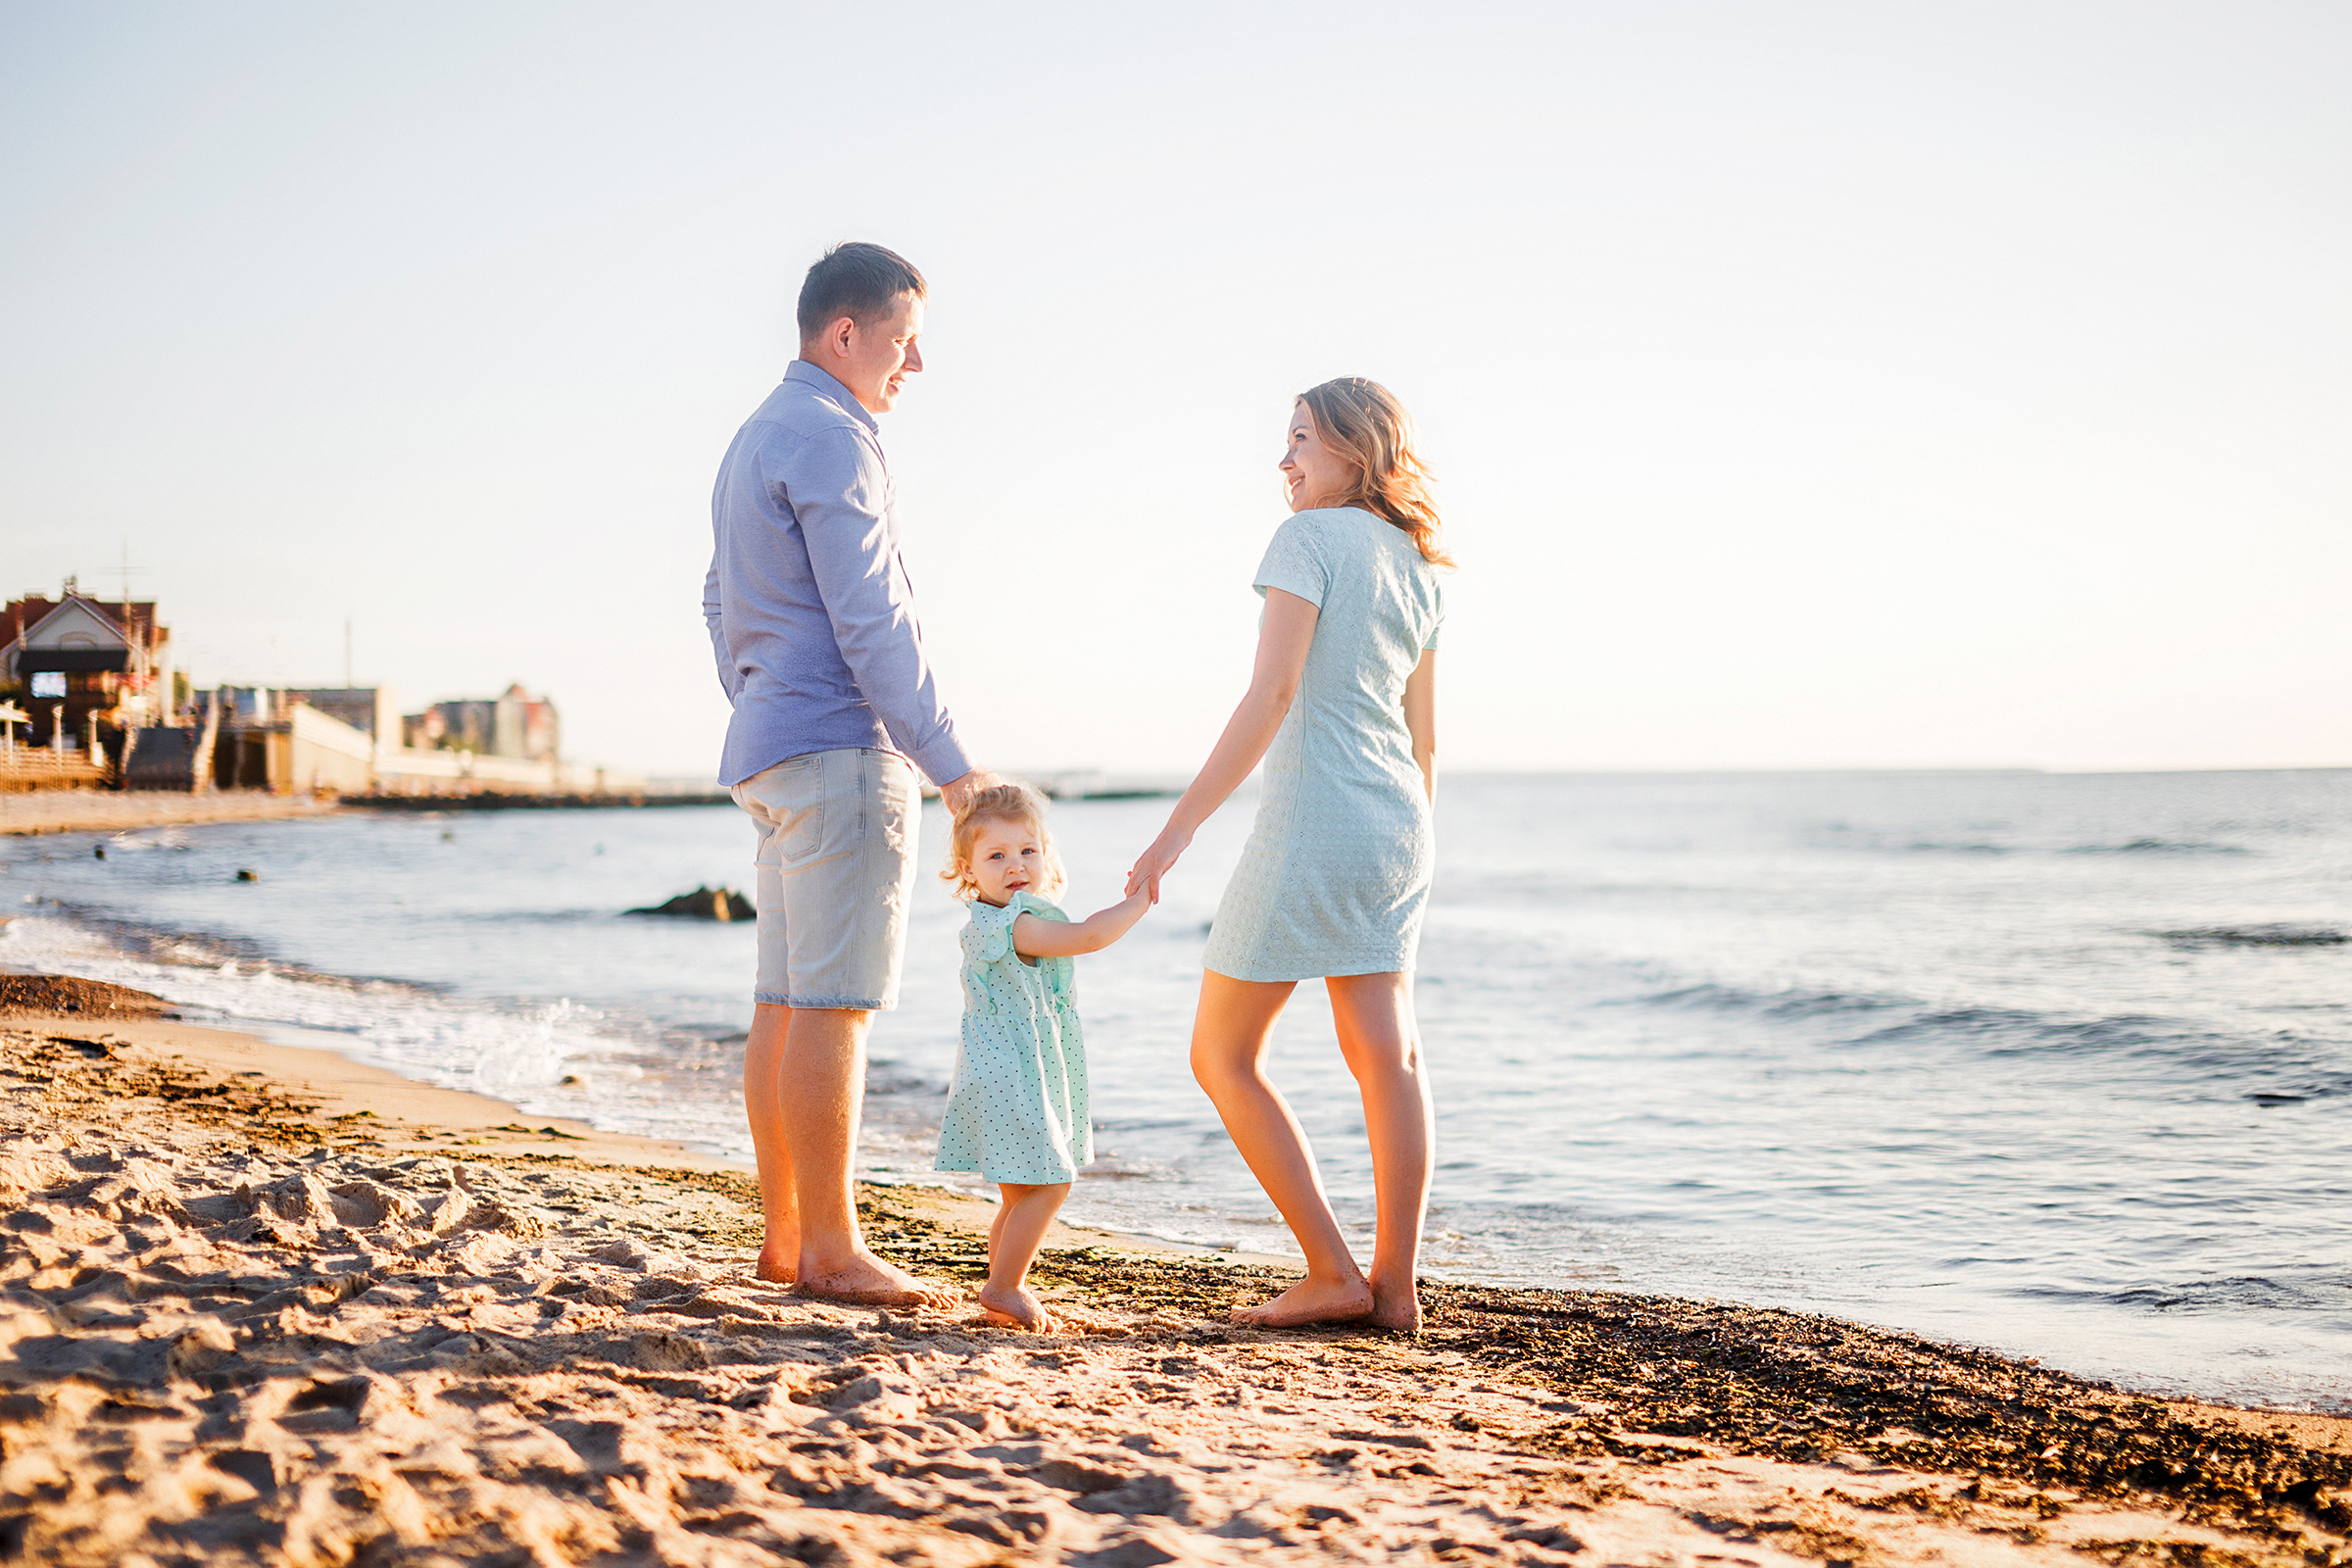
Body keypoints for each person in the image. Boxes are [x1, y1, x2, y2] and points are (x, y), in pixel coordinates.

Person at [704, 241, 1001, 1306]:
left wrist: (761, 693)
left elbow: (716, 600)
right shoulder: (834, 437)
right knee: (832, 1006)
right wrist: (956, 768)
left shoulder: (754, 438)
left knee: (784, 1001)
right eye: (904, 342)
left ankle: (789, 1241)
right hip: (837, 749)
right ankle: (829, 1247)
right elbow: (874, 620)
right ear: (846, 334)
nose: (912, 366)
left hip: (775, 747)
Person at [1127, 377, 1448, 1332]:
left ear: (1354, 448)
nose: (1285, 459)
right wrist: (1398, 847)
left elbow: (1270, 698)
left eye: (1301, 439)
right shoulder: (1420, 565)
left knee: (1221, 1052)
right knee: (1387, 1055)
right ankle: (1397, 1290)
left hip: (1313, 825)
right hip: (1400, 827)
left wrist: (1176, 829)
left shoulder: (1305, 540)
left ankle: (1331, 1271)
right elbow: (1424, 740)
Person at [934, 784, 1152, 1331]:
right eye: (997, 856)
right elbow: (1090, 936)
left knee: (1019, 1192)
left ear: (1045, 853)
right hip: (1011, 1074)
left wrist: (1045, 868)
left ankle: (1003, 1282)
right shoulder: (1013, 927)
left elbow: (1060, 912)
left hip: (1004, 1069)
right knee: (1052, 1181)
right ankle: (1004, 1286)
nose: (1015, 866)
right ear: (968, 869)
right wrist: (1141, 900)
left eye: (1028, 852)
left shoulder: (999, 916)